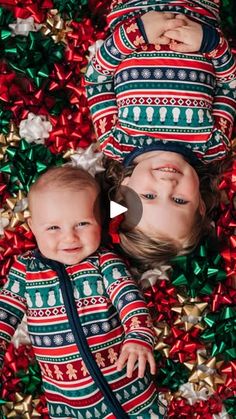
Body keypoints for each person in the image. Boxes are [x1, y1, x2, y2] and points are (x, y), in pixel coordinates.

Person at [0, 166, 164, 419]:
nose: (69, 237)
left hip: (131, 395)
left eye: (82, 223)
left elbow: (129, 299)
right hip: (67, 404)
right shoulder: (25, 269)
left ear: (100, 219)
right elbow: (5, 311)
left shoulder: (104, 262)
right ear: (32, 226)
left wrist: (138, 336)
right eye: (53, 228)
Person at [84, 0, 236, 267]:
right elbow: (230, 85)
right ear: (200, 204)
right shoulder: (213, 145)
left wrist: (136, 32)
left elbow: (96, 79)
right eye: (179, 200)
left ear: (125, 189)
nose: (167, 185)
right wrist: (211, 44)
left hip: (135, 8)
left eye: (149, 196)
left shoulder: (114, 141)